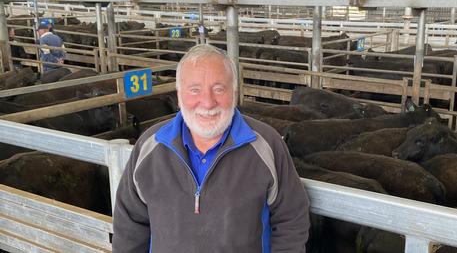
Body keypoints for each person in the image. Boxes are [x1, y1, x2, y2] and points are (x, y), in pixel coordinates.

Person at [112, 44, 310, 253]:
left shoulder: (266, 144)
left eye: (218, 89)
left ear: (234, 92)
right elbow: (129, 227)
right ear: (179, 95)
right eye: (195, 90)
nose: (207, 102)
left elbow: (291, 218)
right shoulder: (150, 146)